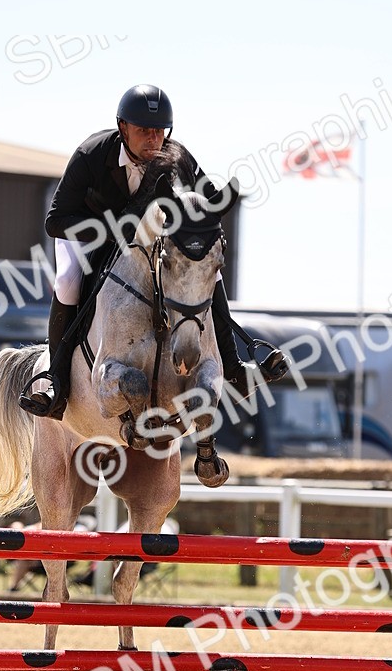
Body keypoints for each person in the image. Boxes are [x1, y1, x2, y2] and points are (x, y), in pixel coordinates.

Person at [19, 84, 286, 420]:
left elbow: (207, 200)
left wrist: (216, 205)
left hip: (147, 246)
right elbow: (56, 221)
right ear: (123, 128)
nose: (153, 140)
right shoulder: (91, 155)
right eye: (143, 131)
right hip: (90, 237)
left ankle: (233, 368)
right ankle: (57, 382)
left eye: (159, 132)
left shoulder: (177, 157)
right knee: (68, 280)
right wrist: (113, 228)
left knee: (209, 272)